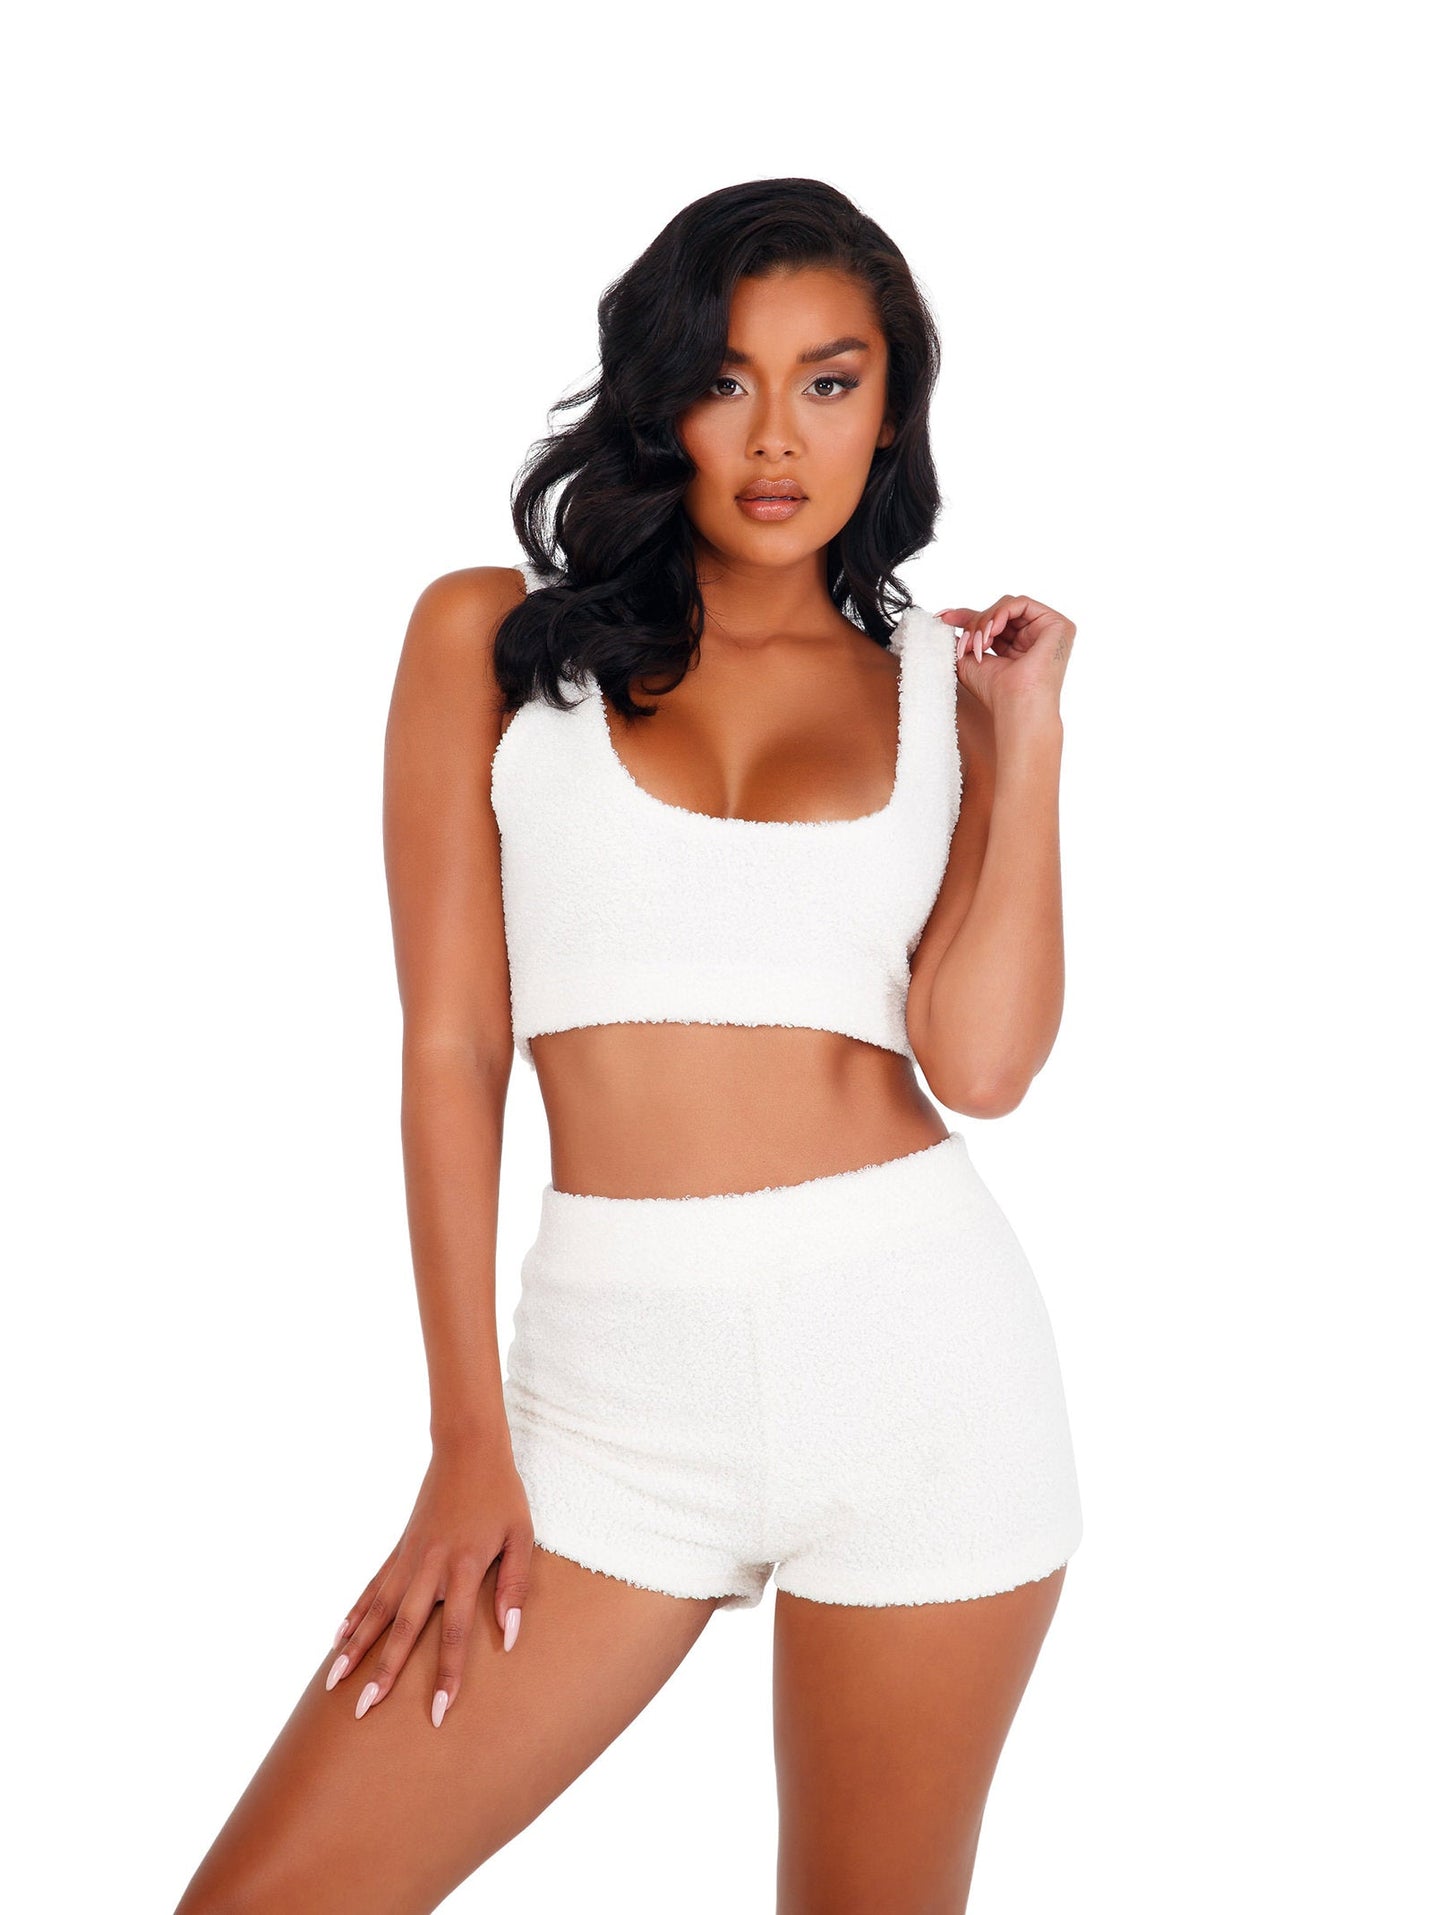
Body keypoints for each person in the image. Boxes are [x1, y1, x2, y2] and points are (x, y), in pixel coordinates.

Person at [175, 177, 1085, 1915]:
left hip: (922, 1376)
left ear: (891, 412)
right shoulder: (491, 640)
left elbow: (980, 1065)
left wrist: (1026, 741)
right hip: (600, 1413)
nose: (775, 435)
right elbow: (452, 1046)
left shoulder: (940, 686)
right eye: (725, 378)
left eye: (829, 381)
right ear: (660, 395)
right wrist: (466, 1442)